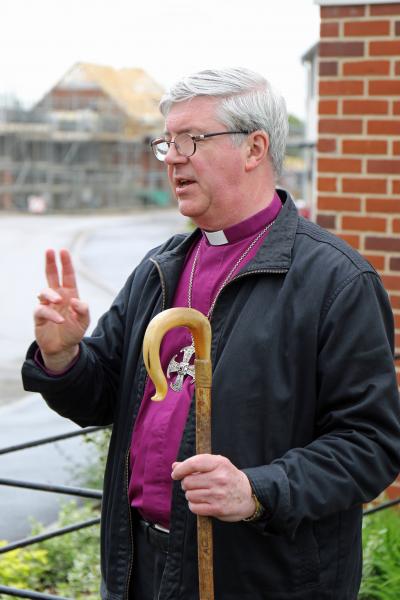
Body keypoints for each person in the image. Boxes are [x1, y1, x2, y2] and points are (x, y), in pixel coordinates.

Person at [22, 67, 400, 600]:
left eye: (191, 140)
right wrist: (62, 358)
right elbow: (102, 398)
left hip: (261, 575)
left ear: (255, 149)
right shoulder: (160, 268)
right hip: (137, 567)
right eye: (167, 142)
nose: (173, 157)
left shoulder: (336, 281)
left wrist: (256, 489)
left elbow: (372, 444)